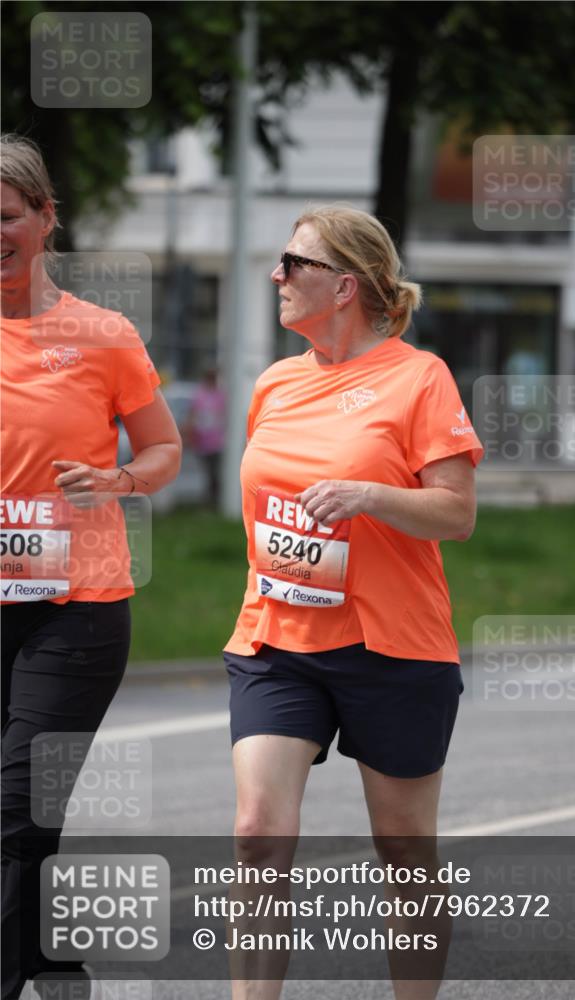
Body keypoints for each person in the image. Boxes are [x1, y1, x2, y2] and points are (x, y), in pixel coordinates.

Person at [223, 205, 484, 999]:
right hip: (277, 639)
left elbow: (457, 514)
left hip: (391, 649)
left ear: (342, 286)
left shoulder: (419, 378)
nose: (276, 275)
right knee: (256, 834)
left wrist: (372, 495)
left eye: (290, 262)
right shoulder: (273, 383)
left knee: (403, 849)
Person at [0, 133, 182, 1000]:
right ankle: (50, 960)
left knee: (14, 806)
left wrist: (114, 478)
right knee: (27, 824)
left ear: (44, 219)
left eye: (4, 217)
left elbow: (163, 450)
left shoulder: (102, 336)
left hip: (75, 605)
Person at [185, 365, 227, 507]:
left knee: (214, 472)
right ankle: (209, 499)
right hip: (203, 440)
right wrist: (191, 433)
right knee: (207, 472)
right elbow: (193, 415)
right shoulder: (200, 395)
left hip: (217, 441)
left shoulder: (220, 395)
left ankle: (213, 499)